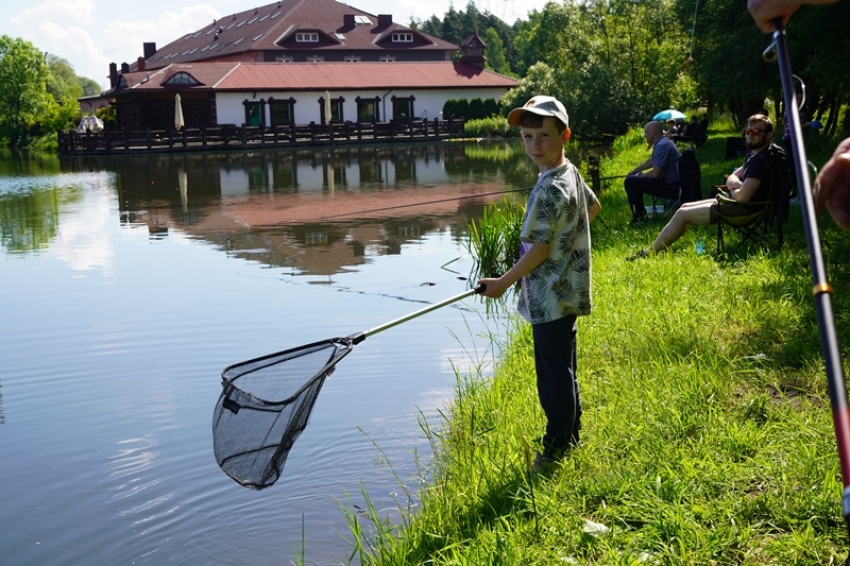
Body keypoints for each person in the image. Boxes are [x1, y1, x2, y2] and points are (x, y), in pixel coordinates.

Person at [476, 95, 601, 473]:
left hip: (548, 295)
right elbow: (591, 207)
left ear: (564, 135)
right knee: (564, 368)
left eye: (543, 136)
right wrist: (569, 246)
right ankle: (570, 435)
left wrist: (501, 282)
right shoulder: (569, 172)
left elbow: (540, 249)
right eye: (527, 137)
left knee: (552, 378)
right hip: (569, 289)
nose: (534, 145)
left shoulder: (548, 189)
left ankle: (555, 449)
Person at [748, 0, 850, 230]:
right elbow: (793, 124)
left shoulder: (795, 104)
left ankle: (797, 194)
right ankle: (796, 194)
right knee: (794, 168)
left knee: (795, 167)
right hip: (791, 139)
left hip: (793, 139)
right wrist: (809, 125)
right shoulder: (790, 106)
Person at [627, 114, 775, 258]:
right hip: (732, 202)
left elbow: (743, 197)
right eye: (748, 131)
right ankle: (656, 249)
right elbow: (733, 177)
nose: (750, 135)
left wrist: (734, 188)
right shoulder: (753, 155)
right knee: (684, 208)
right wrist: (736, 184)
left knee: (682, 214)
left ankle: (650, 252)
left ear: (769, 136)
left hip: (743, 210)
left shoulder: (760, 161)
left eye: (756, 132)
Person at [624, 121, 681, 224]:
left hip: (672, 187)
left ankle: (639, 218)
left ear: (653, 133)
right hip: (671, 182)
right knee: (633, 179)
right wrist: (635, 171)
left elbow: (655, 174)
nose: (644, 135)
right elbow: (652, 161)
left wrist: (640, 175)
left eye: (646, 132)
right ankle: (640, 215)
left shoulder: (662, 145)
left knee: (630, 182)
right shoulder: (663, 142)